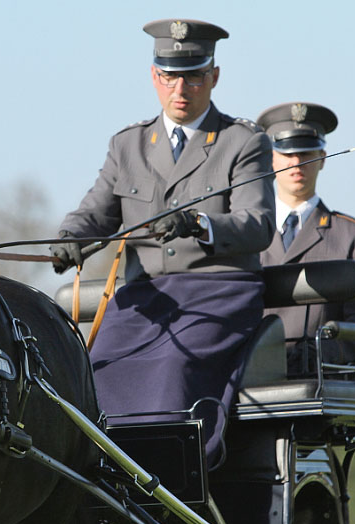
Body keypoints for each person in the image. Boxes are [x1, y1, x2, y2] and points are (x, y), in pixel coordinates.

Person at [50, 19, 275, 466]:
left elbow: (259, 224)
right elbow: (97, 213)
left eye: (193, 75)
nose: (181, 88)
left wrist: (198, 224)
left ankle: (174, 487)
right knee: (97, 371)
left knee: (174, 368)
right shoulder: (127, 145)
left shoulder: (243, 142)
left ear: (213, 76)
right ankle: (107, 491)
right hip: (143, 298)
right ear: (155, 76)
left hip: (218, 293)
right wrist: (70, 239)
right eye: (170, 76)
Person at [256, 102, 355, 374]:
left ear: (323, 157)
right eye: (287, 153)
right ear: (271, 158)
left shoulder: (352, 236)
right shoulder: (248, 232)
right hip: (251, 381)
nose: (296, 163)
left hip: (322, 383)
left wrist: (324, 351)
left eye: (306, 153)